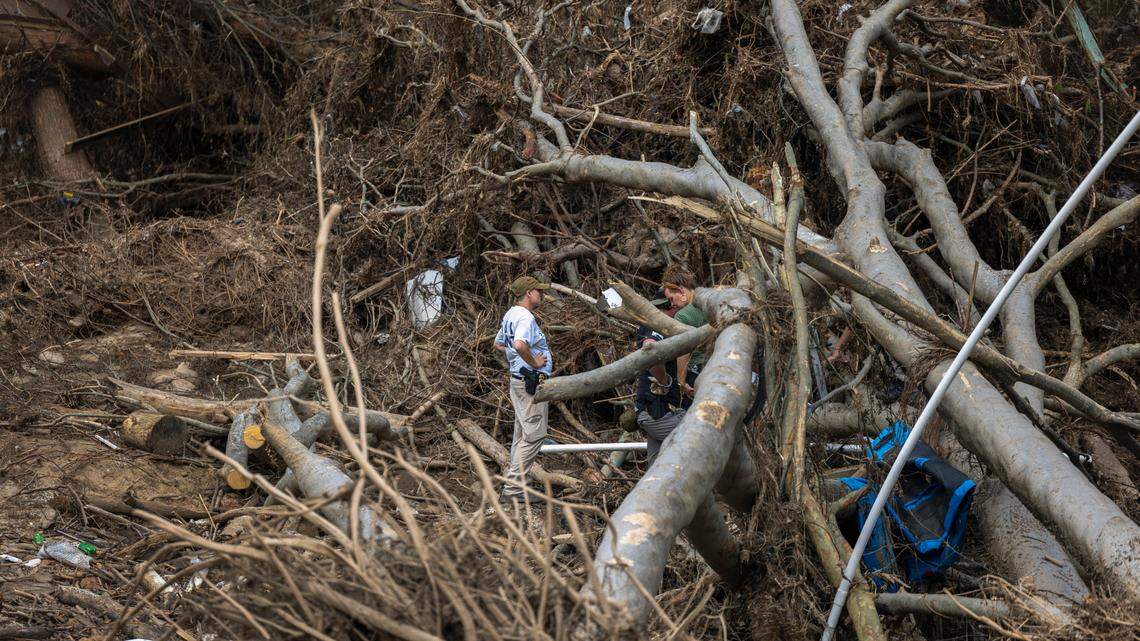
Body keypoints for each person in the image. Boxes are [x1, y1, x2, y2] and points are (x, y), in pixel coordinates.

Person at [493, 274, 553, 507]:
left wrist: (516, 360)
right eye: (539, 291)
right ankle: (514, 489)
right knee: (535, 435)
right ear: (529, 293)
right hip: (529, 383)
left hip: (517, 381)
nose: (542, 295)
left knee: (521, 435)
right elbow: (519, 344)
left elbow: (499, 344)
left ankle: (517, 484)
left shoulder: (510, 314)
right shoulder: (525, 317)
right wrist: (534, 362)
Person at [633, 295, 684, 461]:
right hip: (658, 412)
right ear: (672, 308)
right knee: (698, 432)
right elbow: (650, 351)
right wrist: (664, 382)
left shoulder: (650, 324)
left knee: (656, 461)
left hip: (655, 411)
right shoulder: (658, 326)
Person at [660, 264, 707, 403]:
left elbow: (683, 350)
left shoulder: (682, 315)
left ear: (681, 291)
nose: (671, 304)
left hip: (698, 371)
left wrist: (681, 382)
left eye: (671, 298)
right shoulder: (710, 299)